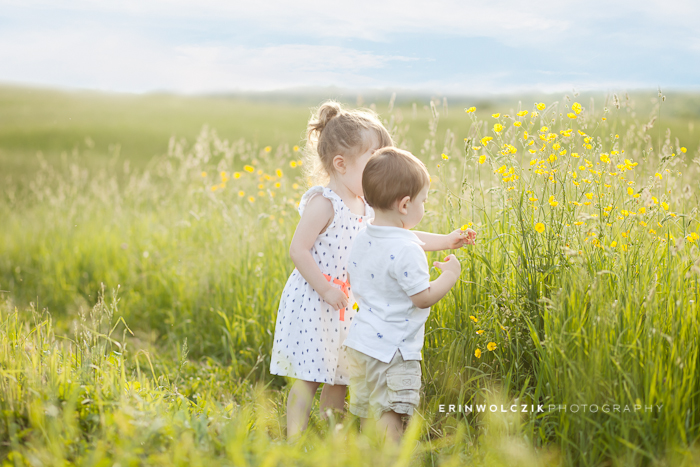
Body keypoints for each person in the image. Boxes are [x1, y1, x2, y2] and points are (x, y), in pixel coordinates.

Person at [270, 101, 475, 441]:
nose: (381, 166)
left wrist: (447, 241)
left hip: (345, 304)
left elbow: (400, 236)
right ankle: (295, 438)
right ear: (341, 163)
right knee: (308, 376)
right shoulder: (325, 202)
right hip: (315, 299)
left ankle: (330, 437)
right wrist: (324, 289)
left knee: (338, 376)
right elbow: (298, 250)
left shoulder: (366, 205)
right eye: (374, 158)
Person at [343, 146, 474, 443]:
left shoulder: (364, 234)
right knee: (392, 417)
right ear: (405, 205)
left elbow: (404, 238)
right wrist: (450, 276)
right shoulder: (408, 251)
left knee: (368, 414)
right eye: (423, 201)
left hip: (361, 345)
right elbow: (423, 297)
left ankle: (367, 460)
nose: (424, 207)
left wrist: (447, 241)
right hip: (395, 352)